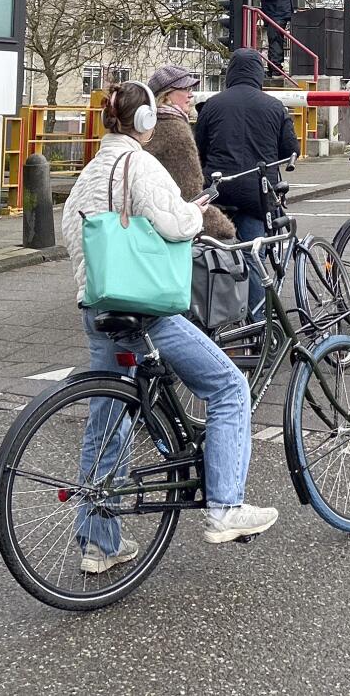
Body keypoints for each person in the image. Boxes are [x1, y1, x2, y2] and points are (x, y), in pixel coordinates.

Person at [59, 79, 277, 563]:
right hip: (143, 311)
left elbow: (72, 231)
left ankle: (99, 543)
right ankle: (226, 506)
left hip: (97, 307)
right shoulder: (140, 163)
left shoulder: (92, 169)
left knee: (108, 421)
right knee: (226, 387)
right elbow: (177, 225)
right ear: (145, 122)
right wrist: (195, 214)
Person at [195, 48, 299, 314]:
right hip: (257, 193)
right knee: (254, 256)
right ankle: (259, 321)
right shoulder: (274, 106)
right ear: (258, 74)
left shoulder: (212, 105)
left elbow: (200, 150)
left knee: (209, 254)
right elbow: (289, 150)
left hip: (218, 191)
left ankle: (214, 312)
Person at [144, 64, 235, 238]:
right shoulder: (175, 129)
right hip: (174, 226)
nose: (190, 94)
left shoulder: (150, 125)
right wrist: (223, 227)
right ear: (167, 95)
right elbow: (190, 193)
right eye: (185, 89)